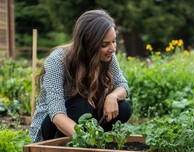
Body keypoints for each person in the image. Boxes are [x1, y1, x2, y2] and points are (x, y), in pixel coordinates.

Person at [29, 9, 131, 143]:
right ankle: (64, 151)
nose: (112, 48)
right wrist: (86, 138)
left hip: (82, 121)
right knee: (82, 105)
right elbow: (56, 113)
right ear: (88, 44)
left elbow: (122, 86)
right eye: (104, 44)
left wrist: (113, 96)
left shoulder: (108, 56)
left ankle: (94, 142)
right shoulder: (57, 61)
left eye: (114, 41)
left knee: (123, 108)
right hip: (50, 128)